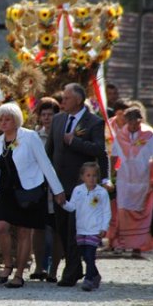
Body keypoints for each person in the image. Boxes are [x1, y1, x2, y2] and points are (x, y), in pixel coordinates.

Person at [0, 102, 64, 288]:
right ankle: (8, 264)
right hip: (6, 191)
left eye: (8, 118)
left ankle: (19, 274)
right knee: (1, 227)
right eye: (1, 119)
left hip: (29, 190)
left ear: (16, 120)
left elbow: (45, 164)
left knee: (25, 231)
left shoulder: (30, 137)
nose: (4, 122)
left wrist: (58, 190)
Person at [46, 83, 108, 287]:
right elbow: (50, 152)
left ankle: (72, 272)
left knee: (77, 229)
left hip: (82, 186)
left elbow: (100, 150)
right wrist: (50, 183)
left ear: (79, 100)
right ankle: (86, 270)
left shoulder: (94, 122)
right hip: (59, 185)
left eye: (67, 98)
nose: (62, 102)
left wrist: (75, 142)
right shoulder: (58, 119)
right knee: (63, 228)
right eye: (63, 98)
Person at [109, 106, 153, 255]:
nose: (133, 126)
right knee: (122, 210)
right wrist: (109, 177)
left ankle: (138, 246)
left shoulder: (149, 134)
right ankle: (121, 243)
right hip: (124, 179)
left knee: (139, 213)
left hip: (142, 179)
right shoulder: (120, 135)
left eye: (136, 123)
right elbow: (114, 157)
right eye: (130, 122)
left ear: (140, 121)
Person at [61, 162, 111, 291]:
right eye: (88, 175)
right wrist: (63, 203)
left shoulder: (102, 193)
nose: (91, 178)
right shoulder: (78, 190)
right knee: (84, 255)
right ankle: (95, 275)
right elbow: (72, 206)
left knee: (90, 255)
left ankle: (88, 280)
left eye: (94, 175)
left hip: (94, 230)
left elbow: (106, 211)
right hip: (81, 229)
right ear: (82, 177)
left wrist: (104, 228)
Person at [30, 97, 63, 282]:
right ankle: (39, 266)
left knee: (57, 229)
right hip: (39, 188)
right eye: (44, 114)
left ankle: (54, 270)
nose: (47, 118)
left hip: (57, 188)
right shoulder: (34, 136)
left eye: (50, 114)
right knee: (38, 229)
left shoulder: (62, 135)